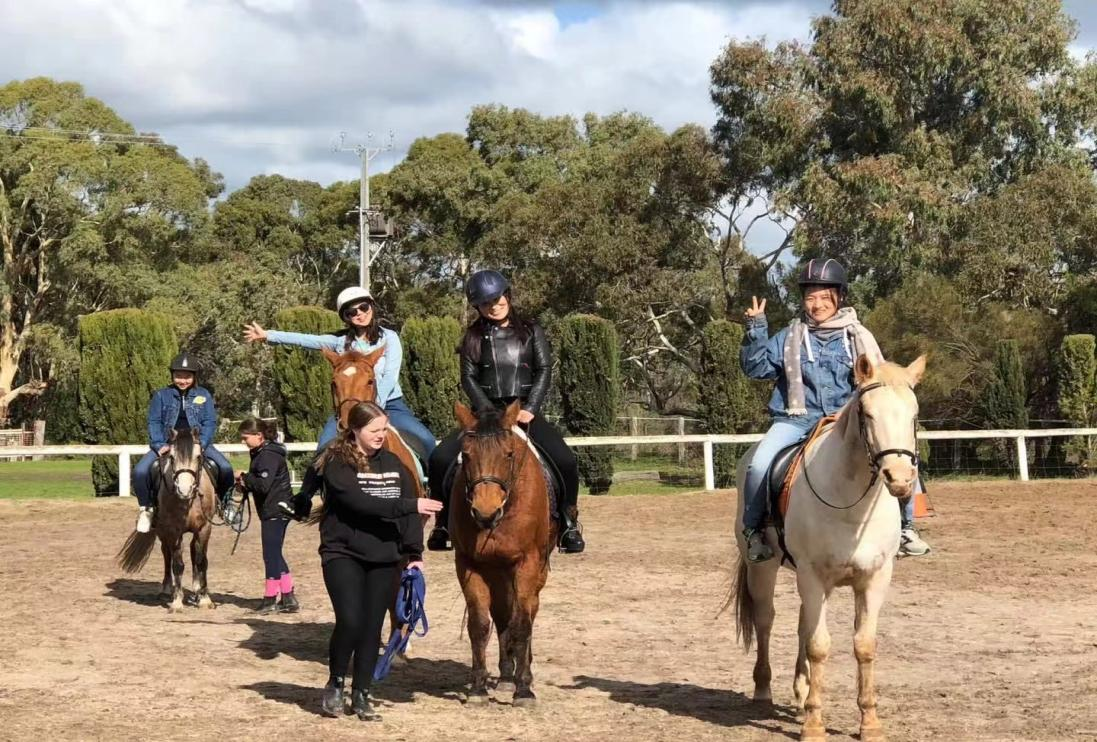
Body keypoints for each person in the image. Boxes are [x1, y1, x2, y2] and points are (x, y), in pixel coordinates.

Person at [739, 258, 931, 562]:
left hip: (844, 420)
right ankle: (755, 531)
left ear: (839, 297)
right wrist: (756, 328)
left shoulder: (859, 337)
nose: (817, 305)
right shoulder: (789, 337)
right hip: (795, 419)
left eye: (825, 297)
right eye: (810, 297)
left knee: (900, 459)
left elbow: (877, 385)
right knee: (759, 465)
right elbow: (755, 368)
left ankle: (907, 528)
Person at [426, 269, 585, 554]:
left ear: (507, 296)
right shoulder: (472, 336)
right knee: (439, 459)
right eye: (486, 303)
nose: (494, 306)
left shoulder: (532, 330)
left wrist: (531, 407)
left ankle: (569, 522)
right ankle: (442, 523)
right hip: (485, 413)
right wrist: (487, 412)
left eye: (497, 299)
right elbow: (468, 378)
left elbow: (544, 369)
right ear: (478, 307)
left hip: (523, 409)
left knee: (566, 460)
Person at [242, 288, 436, 508]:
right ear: (346, 318)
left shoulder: (389, 338)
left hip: (389, 405)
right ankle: (303, 501)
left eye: (363, 307)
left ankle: (439, 498)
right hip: (348, 410)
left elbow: (390, 376)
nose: (359, 314)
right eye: (352, 312)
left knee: (427, 440)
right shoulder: (340, 342)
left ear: (372, 306)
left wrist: (375, 410)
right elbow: (306, 339)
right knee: (323, 448)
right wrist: (268, 335)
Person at [315, 401, 443, 721]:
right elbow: (360, 504)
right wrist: (410, 505)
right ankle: (335, 683)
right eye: (374, 430)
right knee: (351, 620)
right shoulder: (337, 463)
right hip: (343, 552)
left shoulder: (394, 463)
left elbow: (411, 513)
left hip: (385, 555)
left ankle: (361, 692)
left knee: (372, 627)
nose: (381, 435)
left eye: (384, 429)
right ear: (356, 430)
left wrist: (414, 553)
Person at [133, 352, 235, 533]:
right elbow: (154, 421)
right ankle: (146, 509)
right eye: (178, 376)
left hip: (197, 442)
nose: (182, 380)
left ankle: (225, 504)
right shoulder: (161, 395)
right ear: (172, 375)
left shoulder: (204, 395)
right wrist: (158, 444)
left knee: (225, 468)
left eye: (187, 376)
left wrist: (202, 443)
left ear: (194, 377)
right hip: (169, 442)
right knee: (140, 471)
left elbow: (209, 422)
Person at [236, 418, 299, 614]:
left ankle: (270, 598)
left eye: (246, 438)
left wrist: (244, 477)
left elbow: (263, 485)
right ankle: (288, 596)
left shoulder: (267, 456)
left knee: (270, 554)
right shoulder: (265, 453)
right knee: (275, 553)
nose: (244, 442)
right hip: (276, 508)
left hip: (275, 509)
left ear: (259, 436)